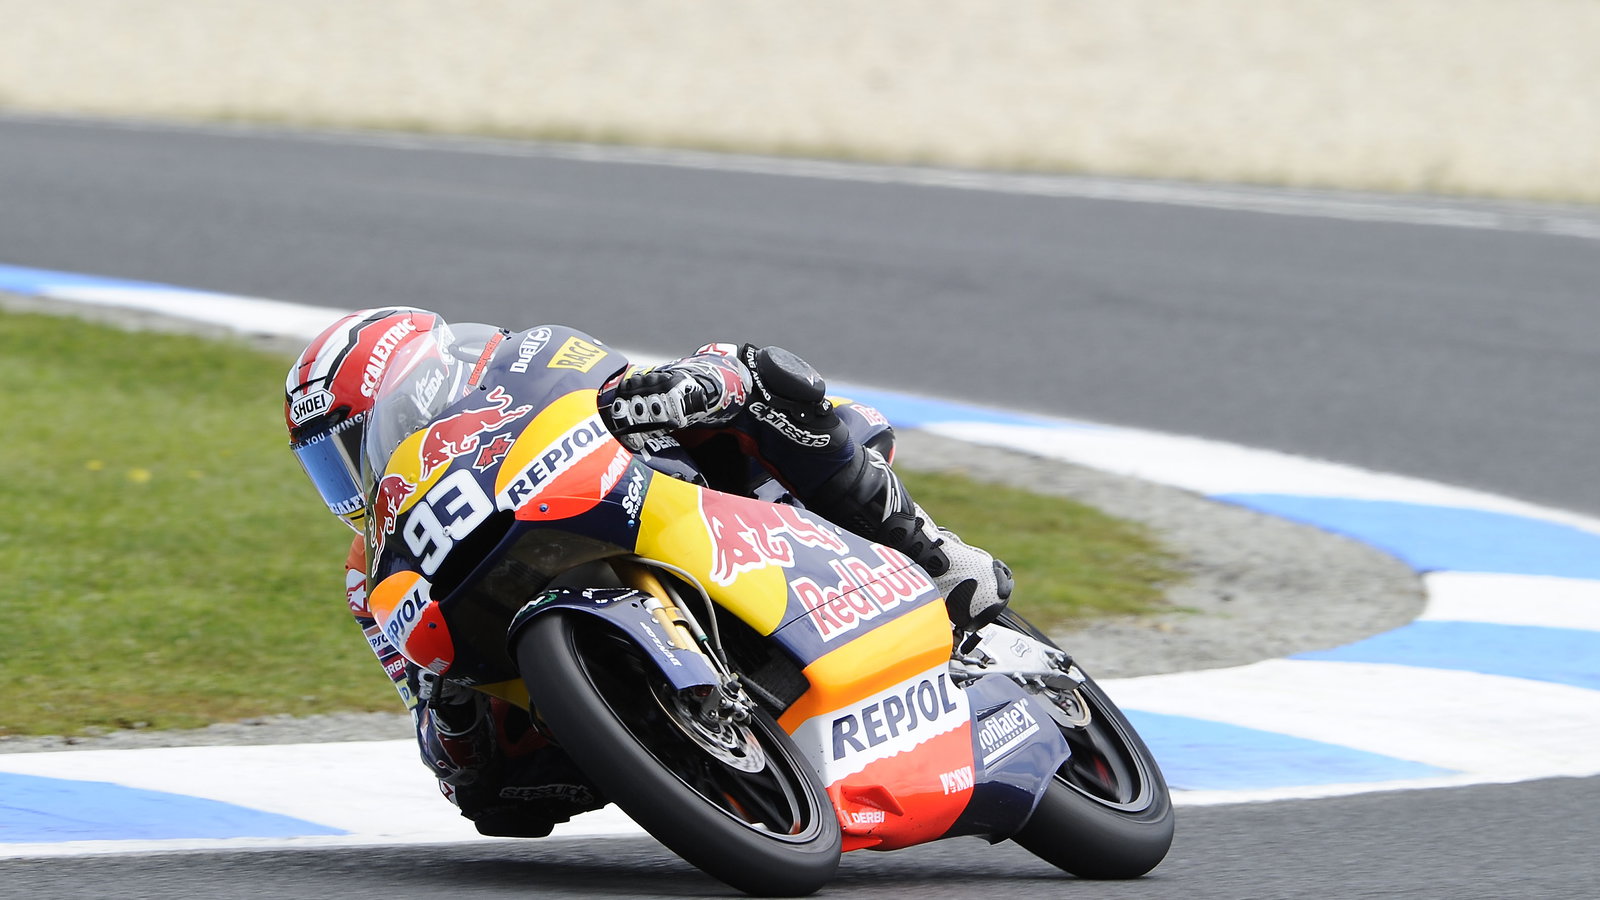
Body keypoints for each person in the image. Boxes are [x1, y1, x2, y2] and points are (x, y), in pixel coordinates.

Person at [284, 307, 1013, 837]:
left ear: (415, 391)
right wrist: (448, 705)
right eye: (330, 469)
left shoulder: (520, 359)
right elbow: (433, 732)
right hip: (536, 635)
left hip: (657, 488)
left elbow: (606, 374)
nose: (351, 482)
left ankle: (931, 554)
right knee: (491, 803)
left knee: (756, 373)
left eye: (354, 446)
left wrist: (684, 388)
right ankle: (667, 742)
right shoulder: (372, 576)